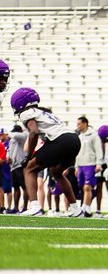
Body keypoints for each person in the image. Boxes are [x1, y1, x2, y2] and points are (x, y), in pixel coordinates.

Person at [10, 87, 83, 217]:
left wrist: (28, 156)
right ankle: (76, 209)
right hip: (73, 139)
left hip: (60, 140)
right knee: (57, 172)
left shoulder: (27, 113)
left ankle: (35, 207)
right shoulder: (44, 112)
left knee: (28, 168)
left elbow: (33, 133)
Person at [74, 116, 102, 216]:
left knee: (87, 187)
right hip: (81, 164)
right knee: (83, 187)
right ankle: (88, 208)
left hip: (90, 164)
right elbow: (77, 152)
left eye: (79, 124)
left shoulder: (94, 135)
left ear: (85, 123)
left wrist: (98, 163)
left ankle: (84, 207)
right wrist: (76, 166)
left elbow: (98, 150)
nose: (77, 126)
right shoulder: (79, 136)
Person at [7, 124, 27, 213]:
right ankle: (16, 208)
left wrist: (9, 133)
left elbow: (14, 135)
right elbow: (9, 150)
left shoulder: (22, 137)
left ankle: (25, 207)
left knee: (24, 187)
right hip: (13, 166)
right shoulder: (12, 139)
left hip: (20, 165)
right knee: (16, 188)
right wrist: (8, 156)